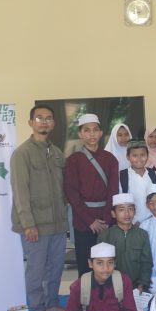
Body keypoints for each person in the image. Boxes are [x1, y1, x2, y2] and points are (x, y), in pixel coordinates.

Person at [11, 104, 68, 311]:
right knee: (36, 269)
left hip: (57, 223)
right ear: (30, 122)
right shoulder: (22, 153)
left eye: (48, 118)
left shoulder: (57, 153)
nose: (44, 122)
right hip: (35, 225)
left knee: (56, 266)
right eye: (39, 118)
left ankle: (52, 302)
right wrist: (28, 224)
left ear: (53, 123)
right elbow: (20, 192)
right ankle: (38, 309)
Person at [64, 114, 119, 276]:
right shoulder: (73, 160)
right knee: (85, 264)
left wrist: (106, 220)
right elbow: (72, 193)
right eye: (87, 130)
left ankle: (107, 293)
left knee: (108, 265)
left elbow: (113, 191)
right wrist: (90, 221)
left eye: (95, 130)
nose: (91, 134)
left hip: (106, 220)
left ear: (101, 133)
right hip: (83, 221)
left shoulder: (110, 159)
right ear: (80, 134)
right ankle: (86, 293)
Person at [98, 193, 152, 292]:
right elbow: (99, 265)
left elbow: (146, 263)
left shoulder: (142, 235)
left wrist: (143, 283)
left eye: (130, 209)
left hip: (136, 287)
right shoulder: (105, 236)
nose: (127, 214)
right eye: (121, 210)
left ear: (135, 211)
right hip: (111, 286)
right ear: (113, 213)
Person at [118, 140, 156, 223]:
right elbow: (121, 204)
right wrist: (131, 223)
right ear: (128, 157)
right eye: (135, 155)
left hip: (153, 221)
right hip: (133, 224)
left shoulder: (153, 174)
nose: (139, 159)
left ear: (147, 155)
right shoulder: (122, 176)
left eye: (142, 155)